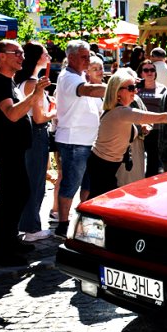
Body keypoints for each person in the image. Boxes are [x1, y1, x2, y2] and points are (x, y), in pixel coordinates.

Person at [86, 69, 167, 198]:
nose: (135, 91)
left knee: (102, 202)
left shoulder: (122, 111)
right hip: (102, 165)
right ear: (118, 92)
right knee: (98, 203)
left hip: (107, 164)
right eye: (130, 88)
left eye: (135, 87)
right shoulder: (121, 112)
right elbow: (159, 117)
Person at [0, 40, 49, 266]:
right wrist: (35, 95)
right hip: (7, 147)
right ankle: (0, 252)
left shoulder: (6, 81)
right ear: (1, 56)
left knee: (21, 194)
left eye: (22, 53)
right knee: (8, 199)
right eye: (16, 53)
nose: (22, 56)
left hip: (15, 146)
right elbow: (11, 114)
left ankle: (9, 240)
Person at [54, 40, 107, 239]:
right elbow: (90, 91)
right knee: (71, 184)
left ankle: (83, 222)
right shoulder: (68, 78)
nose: (88, 60)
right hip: (74, 141)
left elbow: (94, 103)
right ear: (71, 58)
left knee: (87, 185)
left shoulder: (80, 76)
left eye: (88, 56)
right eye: (84, 57)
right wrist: (116, 88)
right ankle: (62, 225)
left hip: (87, 140)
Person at [16, 42, 56, 242]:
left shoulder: (26, 81)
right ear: (36, 58)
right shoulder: (32, 83)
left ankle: (28, 225)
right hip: (36, 133)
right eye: (45, 53)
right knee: (36, 182)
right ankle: (31, 228)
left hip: (31, 134)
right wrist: (55, 112)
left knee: (32, 181)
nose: (49, 56)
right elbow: (40, 118)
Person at [136, 59, 166, 177]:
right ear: (141, 73)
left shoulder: (162, 88)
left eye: (152, 70)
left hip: (156, 130)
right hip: (138, 129)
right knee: (137, 160)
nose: (150, 72)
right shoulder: (135, 88)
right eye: (146, 70)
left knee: (153, 162)